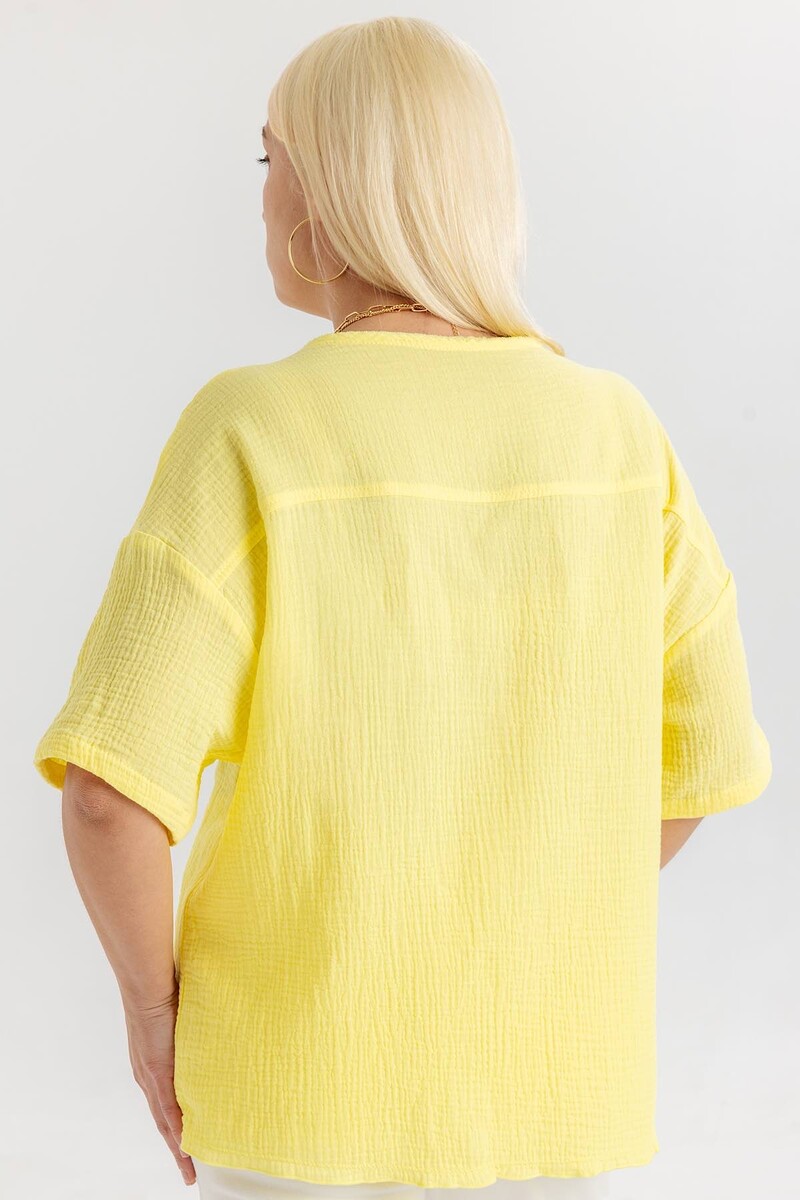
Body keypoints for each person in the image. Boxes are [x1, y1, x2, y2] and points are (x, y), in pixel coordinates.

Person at [32, 15, 772, 1200]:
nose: (260, 195)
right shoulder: (617, 436)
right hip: (545, 1097)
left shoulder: (253, 429)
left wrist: (152, 1014)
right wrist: (526, 904)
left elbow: (110, 797)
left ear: (327, 196)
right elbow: (707, 759)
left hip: (292, 1100)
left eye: (270, 159)